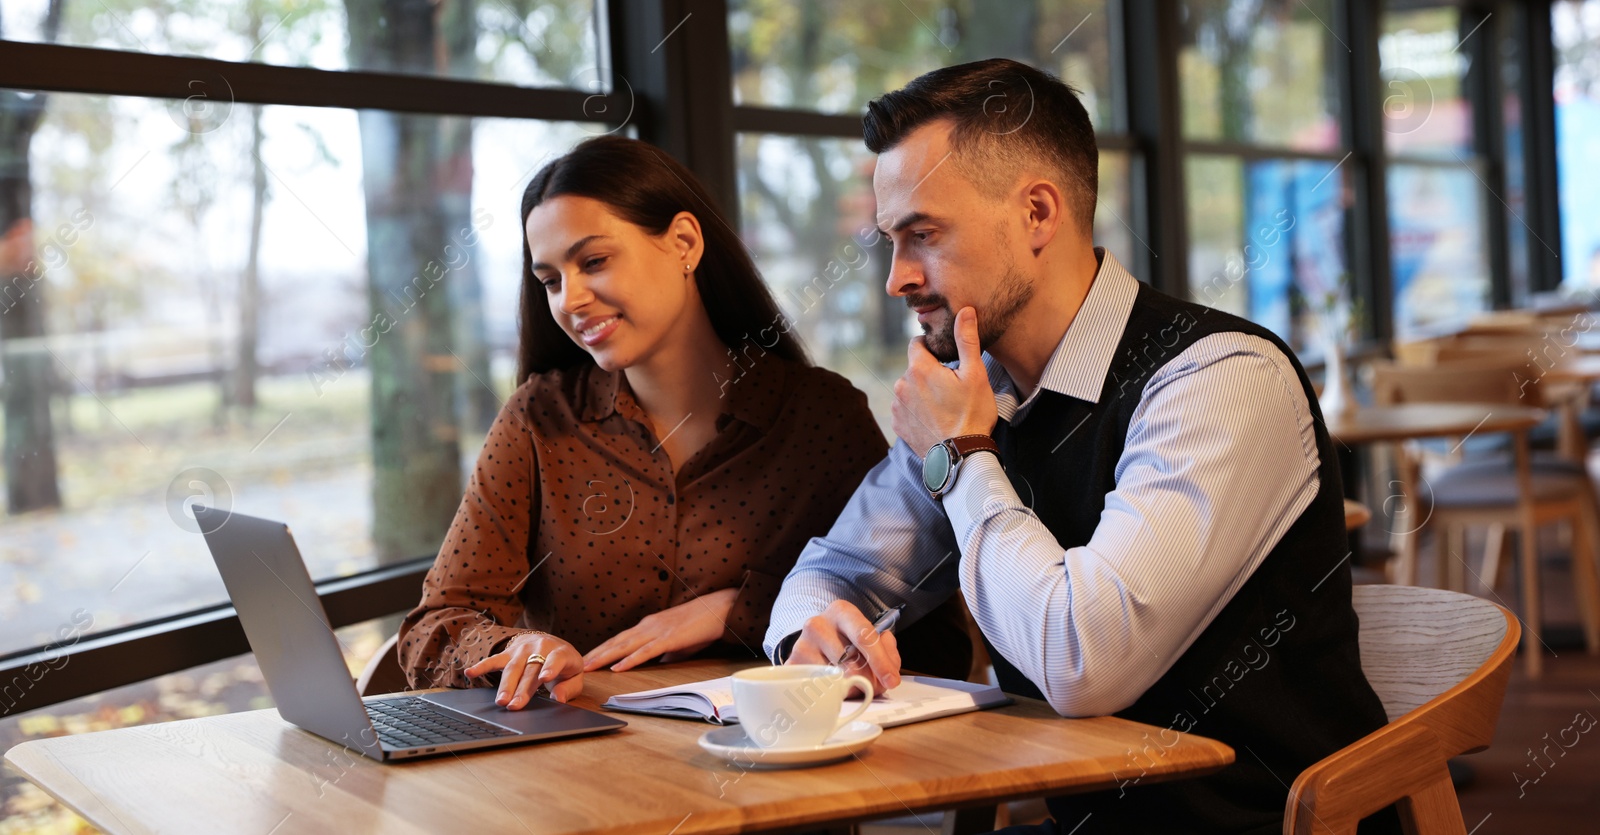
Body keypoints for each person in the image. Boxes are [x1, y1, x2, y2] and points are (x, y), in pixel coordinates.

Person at [766, 59, 1397, 835]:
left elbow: (1082, 659)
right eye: (891, 242)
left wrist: (964, 455)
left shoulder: (1221, 379)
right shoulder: (977, 391)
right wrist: (811, 633)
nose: (897, 277)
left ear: (1037, 213)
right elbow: (834, 568)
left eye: (922, 234)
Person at [397, 135, 888, 708]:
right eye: (551, 280)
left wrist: (745, 608)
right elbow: (434, 629)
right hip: (584, 768)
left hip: (777, 764)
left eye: (594, 261)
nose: (570, 300)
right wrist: (518, 647)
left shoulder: (823, 420)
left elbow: (916, 625)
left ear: (683, 242)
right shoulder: (539, 419)